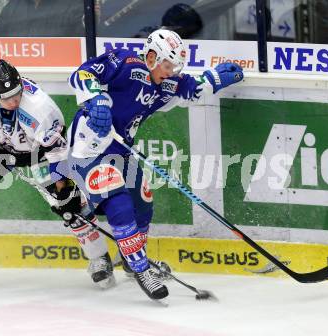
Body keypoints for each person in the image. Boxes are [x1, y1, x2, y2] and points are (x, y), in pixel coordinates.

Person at [67, 29, 243, 300]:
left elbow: (190, 88)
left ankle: (131, 259)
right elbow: (82, 73)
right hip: (88, 147)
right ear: (151, 57)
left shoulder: (167, 82)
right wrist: (96, 100)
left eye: (175, 67)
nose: (171, 72)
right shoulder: (125, 64)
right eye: (168, 65)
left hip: (120, 149)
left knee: (142, 202)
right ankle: (141, 269)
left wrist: (214, 79)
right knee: (119, 204)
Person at [0, 59, 114, 289]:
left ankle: (100, 259)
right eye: (6, 98)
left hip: (40, 153)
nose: (14, 100)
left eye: (17, 93)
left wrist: (63, 188)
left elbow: (57, 152)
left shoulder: (40, 108)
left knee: (70, 203)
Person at [0, 0, 84, 37]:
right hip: (18, 68)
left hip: (56, 71)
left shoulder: (72, 4)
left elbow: (82, 39)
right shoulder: (14, 5)